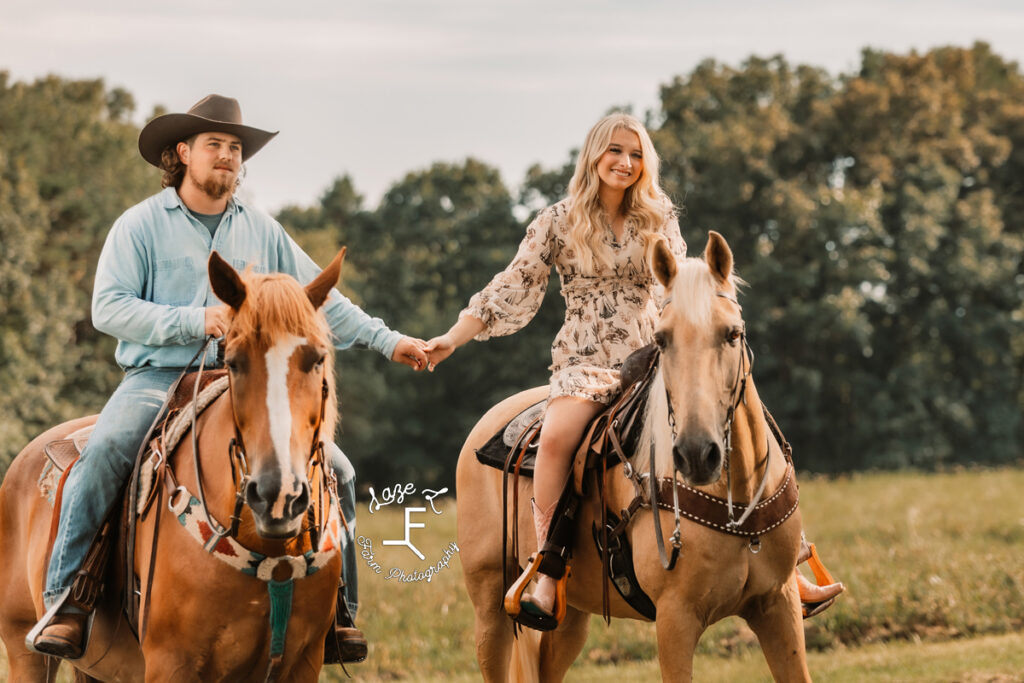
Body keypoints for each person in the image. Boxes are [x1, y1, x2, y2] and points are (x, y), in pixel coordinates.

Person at [32, 94, 429, 661]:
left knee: (337, 470)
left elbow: (325, 301)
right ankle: (66, 599)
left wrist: (390, 342)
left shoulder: (264, 231)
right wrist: (195, 319)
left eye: (235, 148)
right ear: (181, 154)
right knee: (108, 451)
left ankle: (339, 614)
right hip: (158, 378)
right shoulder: (139, 225)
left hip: (239, 379)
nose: (227, 156)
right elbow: (108, 308)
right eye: (214, 145)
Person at [424, 113, 844, 629]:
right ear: (595, 156)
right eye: (616, 151)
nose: (625, 163)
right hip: (586, 360)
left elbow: (683, 282)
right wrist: (451, 337)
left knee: (740, 411)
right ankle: (547, 569)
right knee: (556, 438)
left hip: (655, 353)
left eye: (636, 154)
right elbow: (512, 286)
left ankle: (786, 562)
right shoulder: (557, 220)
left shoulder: (658, 215)